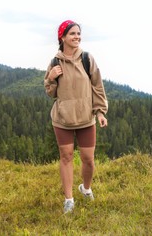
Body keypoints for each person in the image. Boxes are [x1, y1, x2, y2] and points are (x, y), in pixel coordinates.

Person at [44, 20, 108, 214]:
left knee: (88, 159)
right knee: (66, 157)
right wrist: (51, 78)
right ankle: (69, 199)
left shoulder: (87, 59)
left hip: (85, 117)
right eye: (72, 34)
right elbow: (50, 92)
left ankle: (85, 188)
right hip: (63, 118)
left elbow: (97, 86)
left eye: (78, 34)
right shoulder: (55, 62)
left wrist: (100, 111)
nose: (77, 37)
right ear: (62, 37)